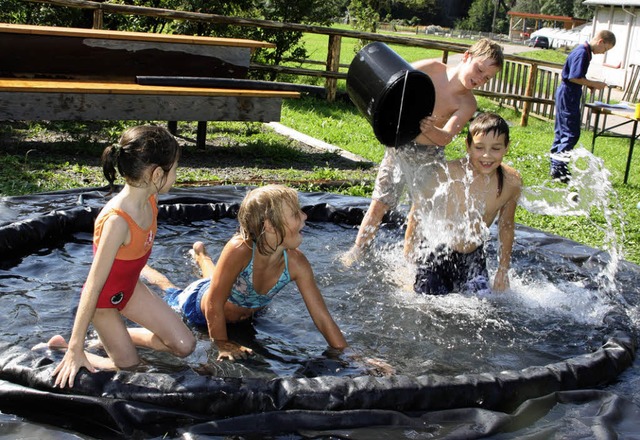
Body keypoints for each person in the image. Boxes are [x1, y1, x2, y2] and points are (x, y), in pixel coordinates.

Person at [44, 125, 196, 388]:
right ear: (157, 173)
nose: (176, 176)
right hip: (104, 303)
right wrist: (76, 346)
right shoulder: (117, 221)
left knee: (185, 346)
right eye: (175, 168)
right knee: (131, 369)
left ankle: (114, 338)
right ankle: (66, 347)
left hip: (130, 290)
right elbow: (93, 284)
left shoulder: (151, 198)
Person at [343, 38, 504, 265]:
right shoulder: (432, 68)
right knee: (380, 202)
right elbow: (395, 82)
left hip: (430, 155)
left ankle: (409, 261)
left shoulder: (467, 103)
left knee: (418, 212)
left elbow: (446, 137)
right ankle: (358, 250)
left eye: (486, 78)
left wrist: (429, 128)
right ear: (467, 56)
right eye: (479, 69)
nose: (479, 79)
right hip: (400, 147)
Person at [143, 185, 348, 361]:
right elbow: (214, 303)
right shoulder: (240, 249)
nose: (304, 216)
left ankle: (201, 255)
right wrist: (222, 343)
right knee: (170, 290)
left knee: (215, 279)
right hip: (198, 308)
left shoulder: (297, 263)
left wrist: (347, 355)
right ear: (269, 225)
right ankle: (144, 268)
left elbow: (322, 318)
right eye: (296, 213)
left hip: (237, 306)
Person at [404, 112, 522, 295]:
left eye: (496, 148)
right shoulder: (449, 173)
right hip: (437, 251)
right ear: (468, 146)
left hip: (473, 255)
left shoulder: (511, 182)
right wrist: (408, 257)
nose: (487, 156)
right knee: (427, 303)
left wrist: (503, 269)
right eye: (479, 147)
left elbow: (506, 225)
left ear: (507, 147)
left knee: (481, 304)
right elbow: (418, 210)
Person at [550, 30, 616, 183]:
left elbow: (576, 76)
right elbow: (574, 77)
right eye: (605, 49)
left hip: (566, 92)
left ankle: (556, 165)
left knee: (561, 131)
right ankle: (559, 167)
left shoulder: (583, 51)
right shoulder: (583, 53)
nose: (603, 53)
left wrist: (589, 84)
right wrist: (594, 83)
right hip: (568, 93)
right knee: (571, 132)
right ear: (600, 42)